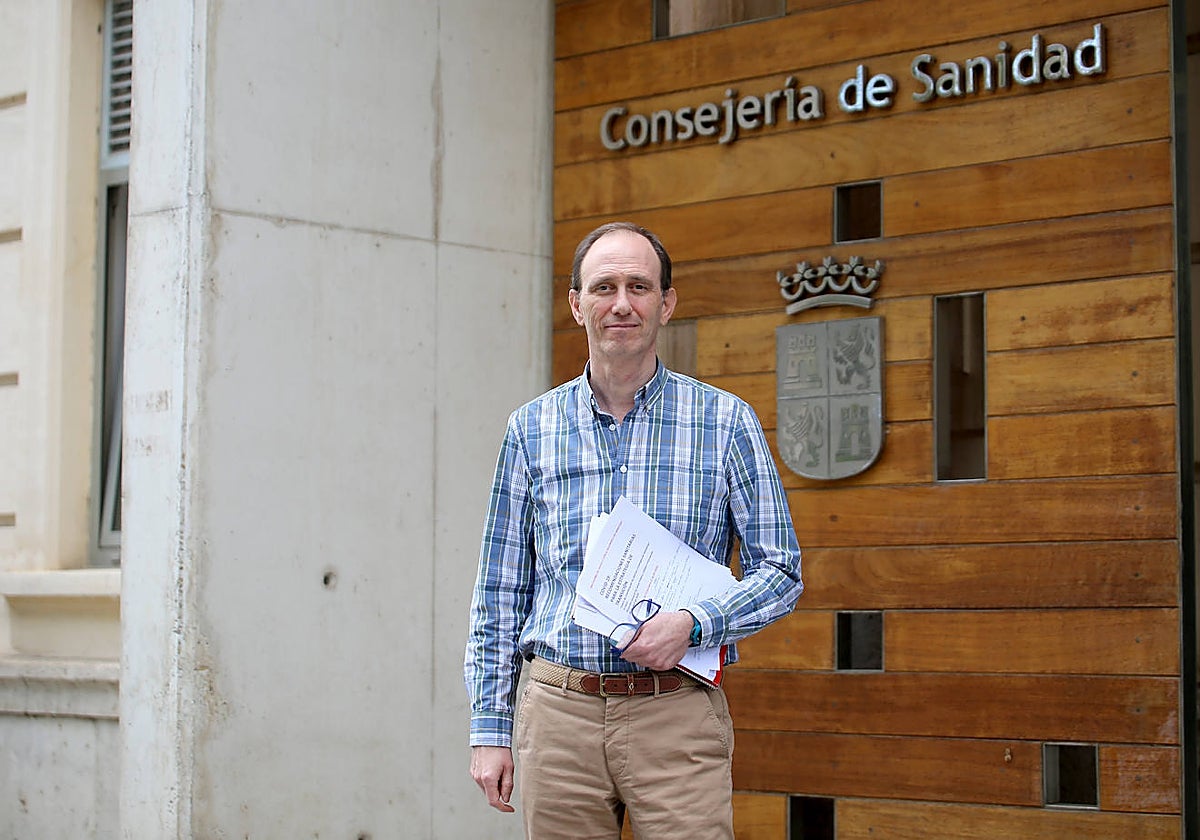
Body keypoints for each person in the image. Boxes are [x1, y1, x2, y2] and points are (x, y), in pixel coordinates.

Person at [464, 221, 803, 839]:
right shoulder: (530, 429)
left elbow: (781, 572)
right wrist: (490, 729)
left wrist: (696, 624)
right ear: (576, 305)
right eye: (604, 287)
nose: (622, 303)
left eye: (640, 287)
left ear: (666, 303)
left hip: (674, 711)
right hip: (557, 713)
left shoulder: (727, 423)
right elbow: (499, 592)